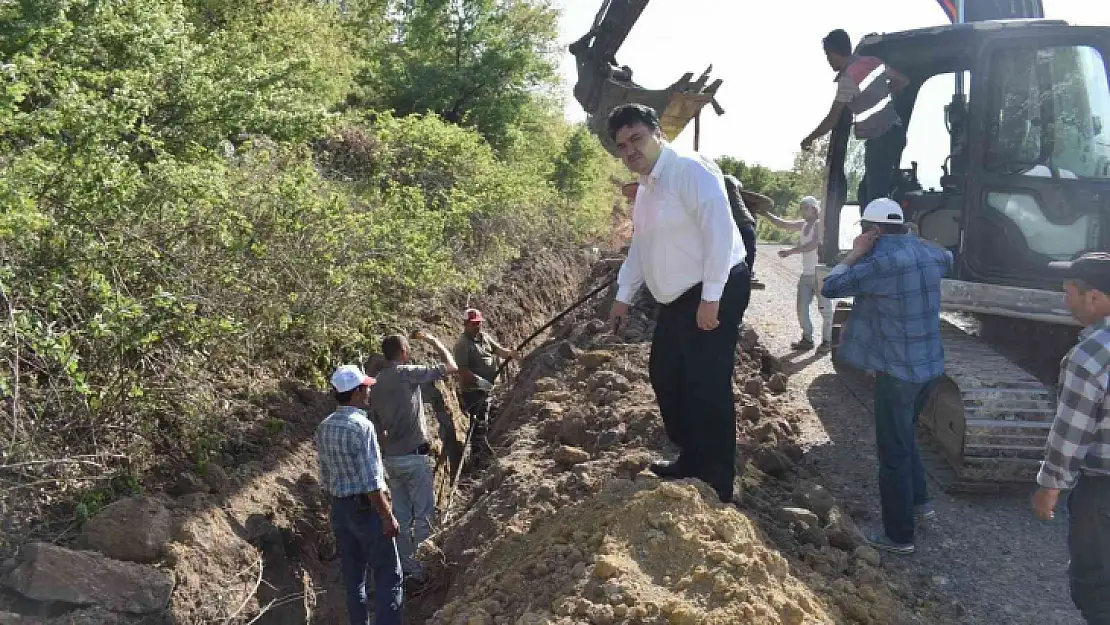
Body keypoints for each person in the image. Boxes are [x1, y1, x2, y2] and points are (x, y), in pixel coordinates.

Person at [606, 103, 751, 504]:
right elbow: (642, 246)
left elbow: (719, 233)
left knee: (708, 384)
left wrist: (711, 298)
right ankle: (692, 456)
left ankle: (719, 480)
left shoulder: (690, 169)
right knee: (666, 375)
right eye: (622, 145)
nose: (630, 149)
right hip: (676, 298)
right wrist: (623, 296)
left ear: (657, 133)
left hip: (713, 286)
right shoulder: (647, 189)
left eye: (636, 138)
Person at [820, 198, 952, 554]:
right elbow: (948, 258)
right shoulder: (931, 255)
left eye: (865, 229)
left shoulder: (879, 263)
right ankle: (921, 503)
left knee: (892, 452)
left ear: (873, 230)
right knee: (905, 433)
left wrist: (852, 255)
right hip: (931, 367)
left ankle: (898, 536)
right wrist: (915, 239)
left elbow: (830, 288)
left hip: (898, 371)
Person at [1030, 252, 1110, 624]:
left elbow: (1071, 432)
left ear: (1093, 297)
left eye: (1069, 293)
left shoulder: (1090, 356)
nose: (1066, 301)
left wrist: (1050, 485)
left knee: (1094, 585)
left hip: (1102, 490)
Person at [315, 365, 403, 625]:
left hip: (340, 509)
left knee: (354, 580)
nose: (368, 391)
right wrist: (387, 516)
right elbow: (372, 482)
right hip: (367, 510)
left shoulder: (324, 427)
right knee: (389, 575)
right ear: (354, 393)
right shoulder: (362, 427)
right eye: (365, 388)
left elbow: (326, 474)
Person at [369, 332, 458, 582]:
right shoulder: (407, 373)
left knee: (401, 515)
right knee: (423, 516)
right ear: (404, 352)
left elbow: (375, 423)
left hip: (391, 460)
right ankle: (425, 568)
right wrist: (433, 339)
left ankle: (407, 569)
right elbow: (451, 366)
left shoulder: (375, 383)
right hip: (415, 457)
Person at [801, 28, 910, 209]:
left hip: (880, 139)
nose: (828, 61)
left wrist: (809, 139)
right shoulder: (874, 63)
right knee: (867, 192)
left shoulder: (847, 80)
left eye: (828, 55)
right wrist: (883, 92)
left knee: (876, 199)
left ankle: (879, 233)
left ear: (834, 54)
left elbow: (831, 119)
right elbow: (903, 81)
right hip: (896, 133)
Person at [762, 196, 835, 353]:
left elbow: (813, 244)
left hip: (821, 272)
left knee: (825, 309)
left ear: (814, 209)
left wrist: (791, 251)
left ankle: (827, 341)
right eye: (801, 207)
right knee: (801, 307)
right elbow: (782, 224)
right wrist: (765, 213)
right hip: (807, 274)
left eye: (805, 207)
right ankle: (807, 339)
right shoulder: (803, 224)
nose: (802, 210)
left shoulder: (819, 225)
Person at [453, 308, 517, 459]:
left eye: (479, 323)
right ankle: (478, 455)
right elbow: (463, 371)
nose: (477, 326)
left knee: (487, 418)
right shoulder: (462, 344)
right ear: (465, 324)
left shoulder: (484, 337)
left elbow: (499, 351)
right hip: (473, 391)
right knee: (479, 422)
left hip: (487, 389)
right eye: (474, 324)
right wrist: (480, 382)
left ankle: (484, 447)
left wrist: (510, 353)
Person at [723, 175, 765, 291]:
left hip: (734, 226)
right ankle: (748, 275)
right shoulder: (730, 181)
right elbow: (739, 184)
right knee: (748, 254)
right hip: (746, 225)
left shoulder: (724, 180)